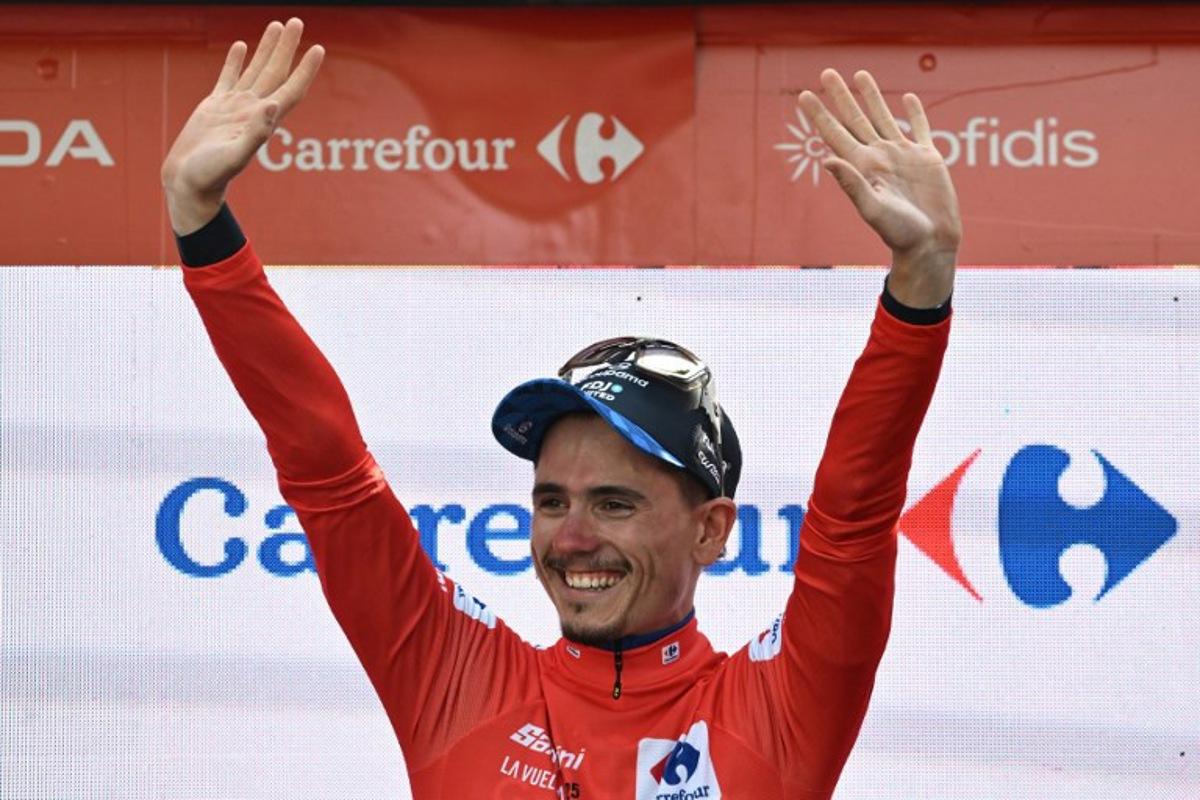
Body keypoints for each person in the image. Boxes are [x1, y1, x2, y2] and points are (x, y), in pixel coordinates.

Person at [163, 17, 960, 800]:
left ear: (711, 530)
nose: (572, 536)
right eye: (552, 500)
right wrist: (203, 226)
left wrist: (920, 283)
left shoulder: (773, 713)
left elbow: (853, 518)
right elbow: (328, 468)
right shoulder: (460, 683)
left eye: (614, 502)